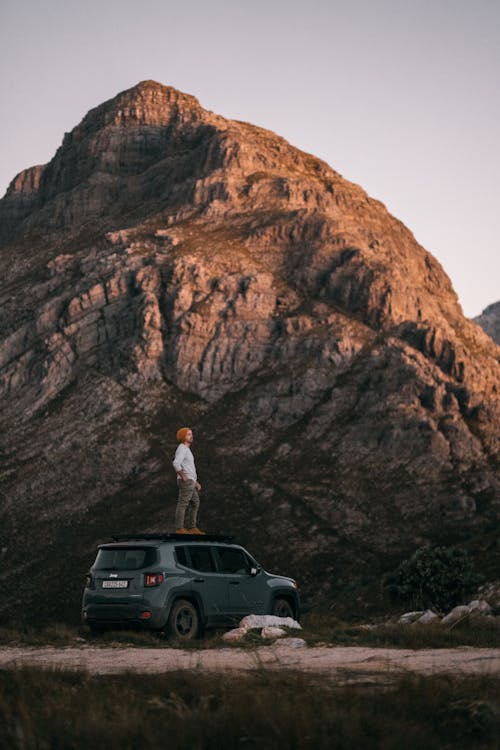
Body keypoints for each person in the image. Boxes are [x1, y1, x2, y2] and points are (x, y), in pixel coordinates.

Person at [172, 427, 203, 534]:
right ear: (183, 437)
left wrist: (195, 482)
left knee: (195, 502)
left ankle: (192, 527)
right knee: (183, 503)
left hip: (190, 481)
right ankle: (179, 528)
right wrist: (183, 476)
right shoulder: (182, 448)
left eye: (191, 434)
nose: (191, 436)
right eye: (188, 434)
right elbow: (176, 463)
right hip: (186, 481)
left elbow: (189, 468)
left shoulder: (186, 449)